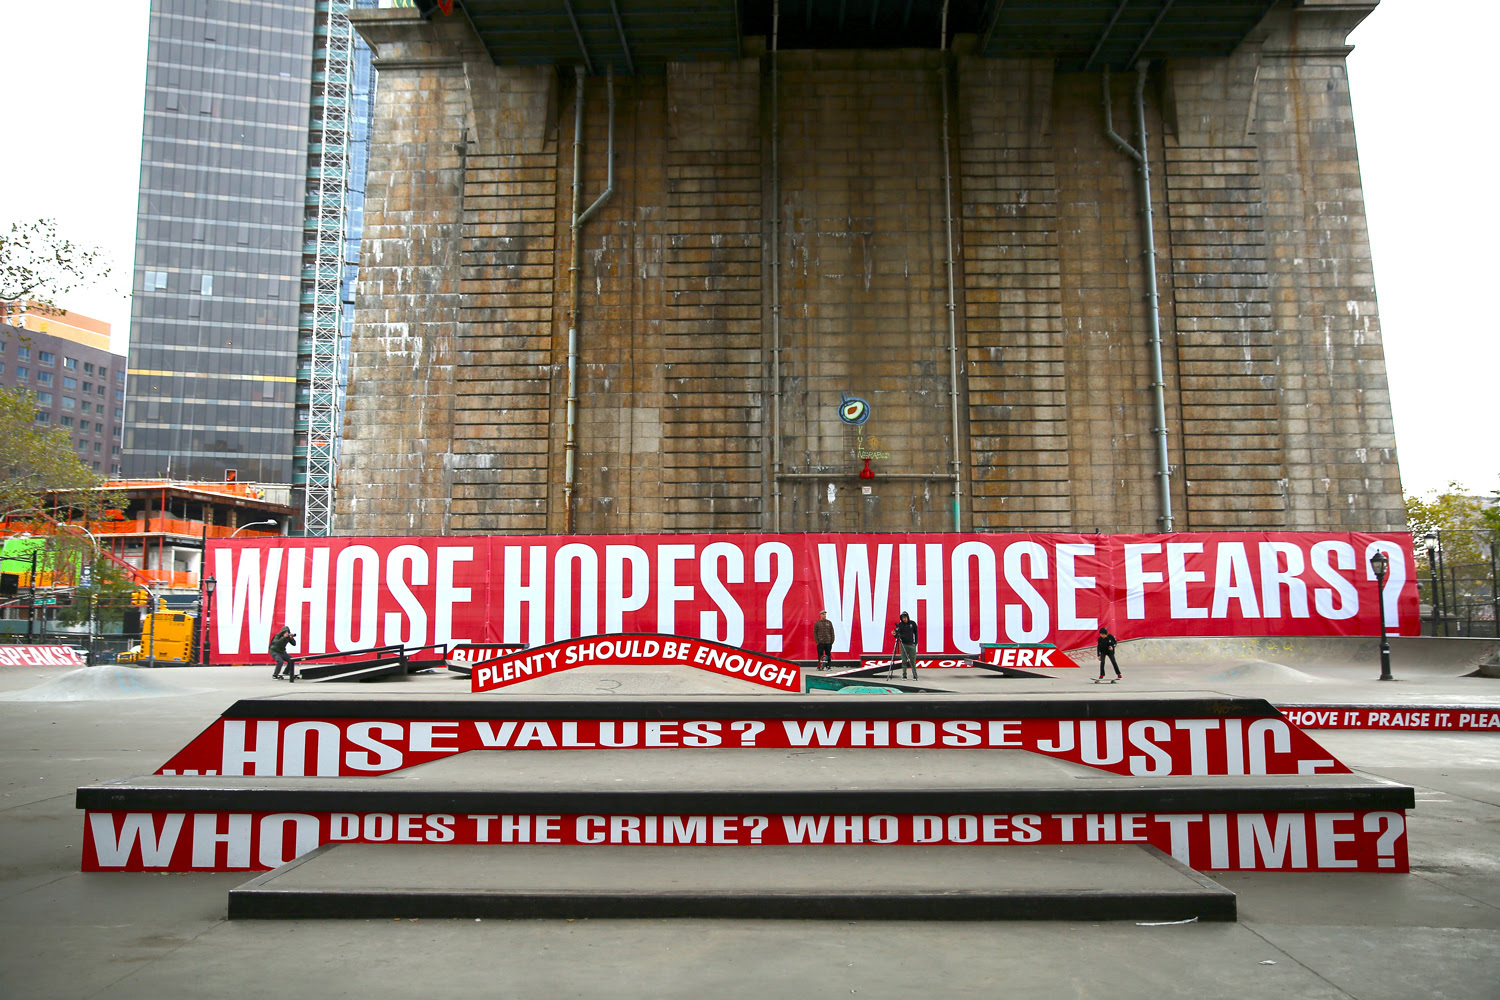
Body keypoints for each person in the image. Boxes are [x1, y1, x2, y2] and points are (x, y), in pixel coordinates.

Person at [892, 611, 920, 679]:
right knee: (904, 661)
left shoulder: (912, 623)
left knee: (913, 661)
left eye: (905, 617)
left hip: (911, 645)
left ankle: (915, 675)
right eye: (902, 618)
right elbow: (897, 636)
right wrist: (895, 635)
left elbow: (916, 633)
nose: (904, 619)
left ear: (907, 617)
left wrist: (915, 643)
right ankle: (904, 675)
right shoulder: (900, 625)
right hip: (903, 644)